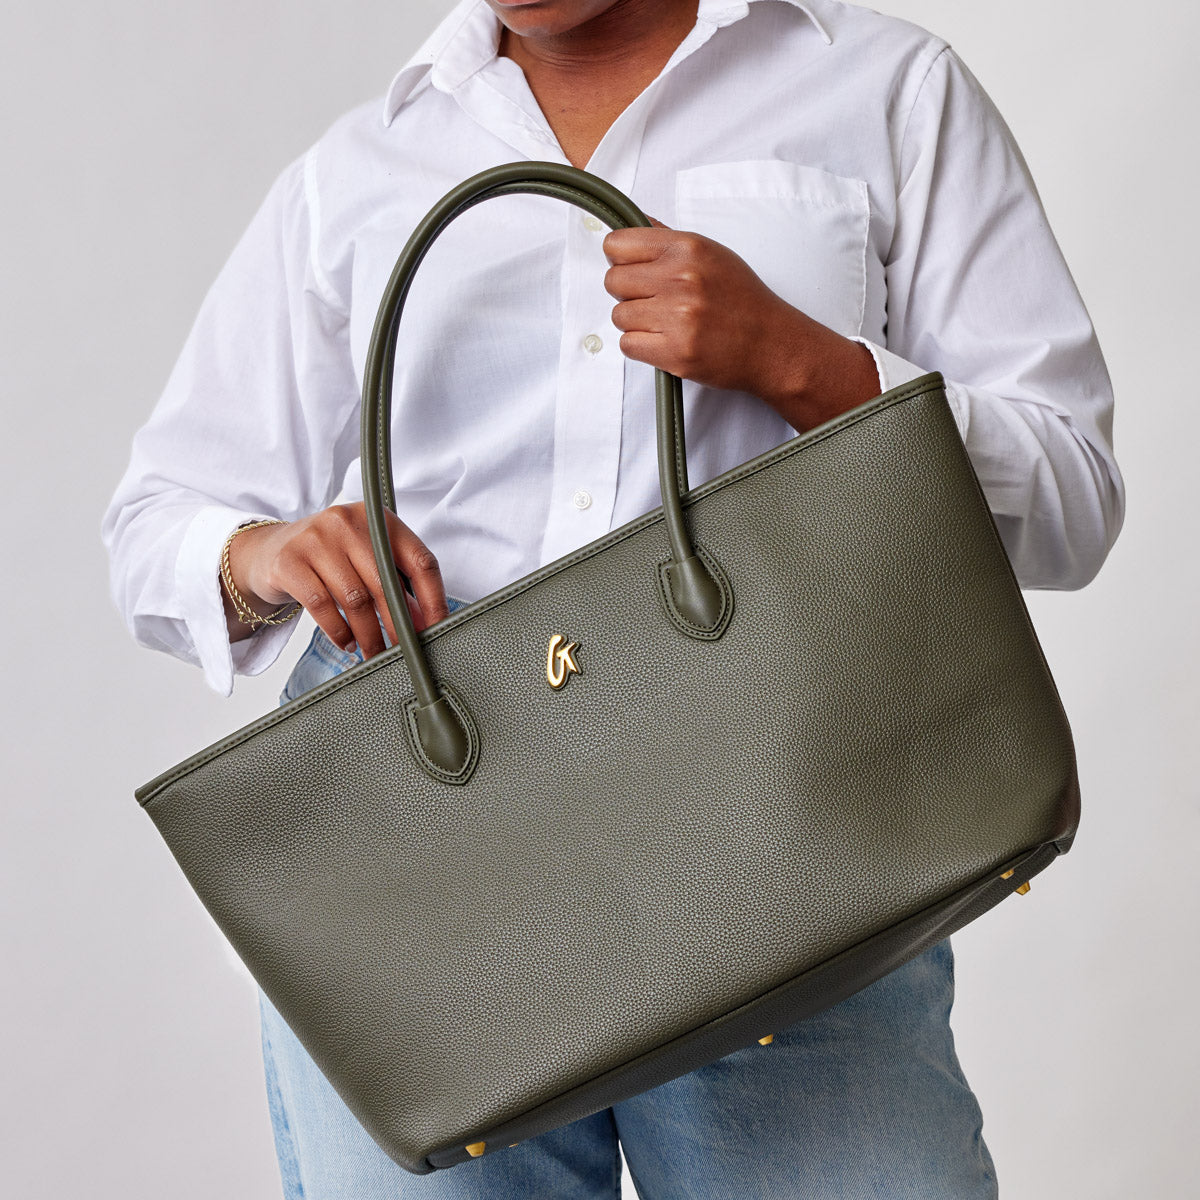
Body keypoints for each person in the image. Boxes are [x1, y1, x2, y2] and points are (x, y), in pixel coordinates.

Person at [102, 0, 1124, 1196]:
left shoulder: (888, 90)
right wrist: (262, 555)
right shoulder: (357, 173)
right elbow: (154, 525)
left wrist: (809, 365)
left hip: (808, 837)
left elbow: (1071, 497)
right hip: (432, 906)